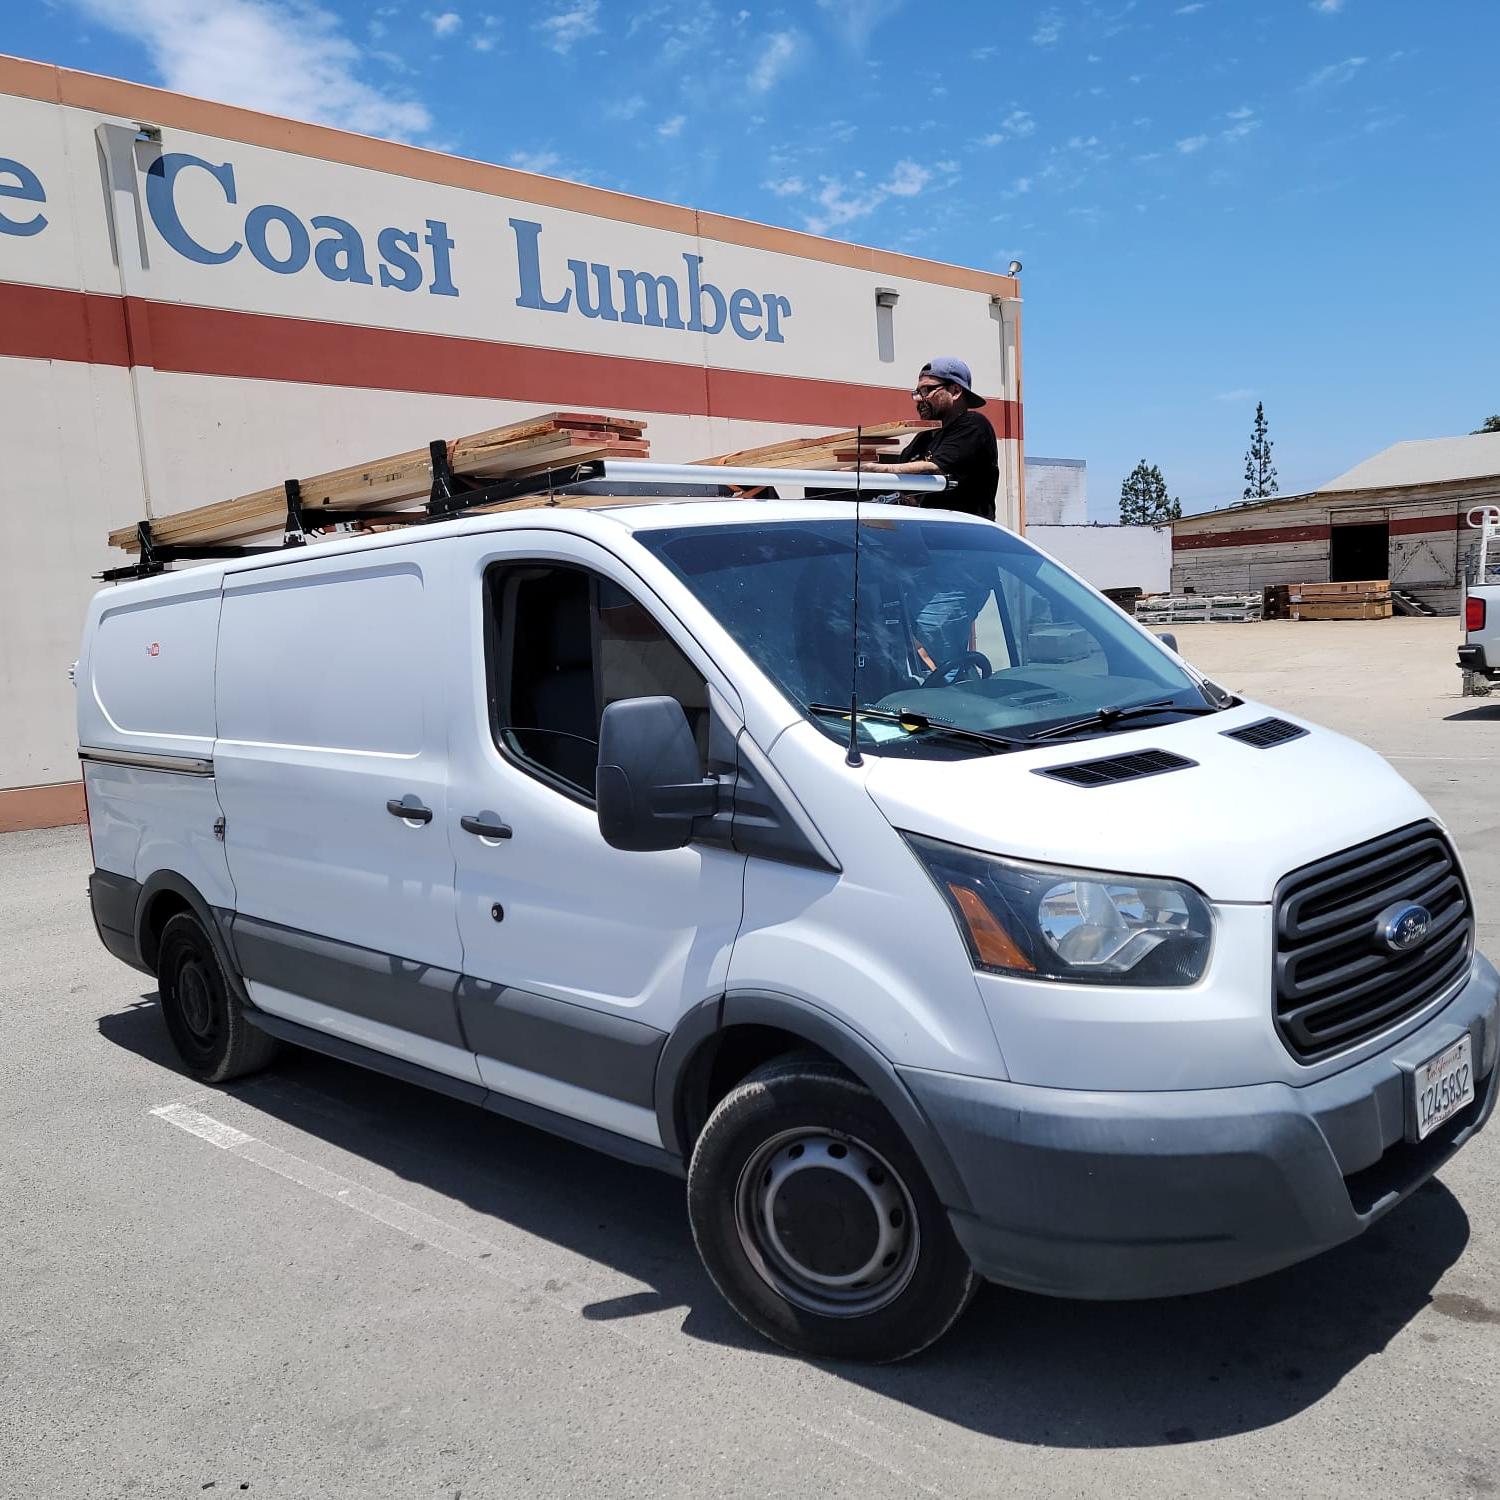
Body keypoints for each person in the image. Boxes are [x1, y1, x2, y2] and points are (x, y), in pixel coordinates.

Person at [860, 357, 999, 521]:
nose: (919, 399)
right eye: (917, 393)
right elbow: (902, 486)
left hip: (965, 536)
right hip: (930, 536)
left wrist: (872, 470)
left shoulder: (973, 425)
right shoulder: (923, 438)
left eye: (926, 390)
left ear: (955, 391)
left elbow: (935, 468)